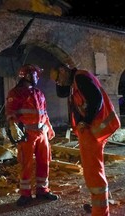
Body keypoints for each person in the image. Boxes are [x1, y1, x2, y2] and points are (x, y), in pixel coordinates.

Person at [50, 64, 121, 216]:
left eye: (59, 79)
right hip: (90, 132)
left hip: (92, 131)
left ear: (63, 70)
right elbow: (62, 94)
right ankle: (101, 206)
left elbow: (96, 99)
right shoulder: (75, 80)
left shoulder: (80, 78)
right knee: (95, 170)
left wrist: (86, 121)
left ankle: (100, 211)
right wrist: (60, 81)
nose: (60, 83)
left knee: (93, 173)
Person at [5, 64, 59, 206]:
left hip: (42, 133)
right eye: (36, 75)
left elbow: (44, 112)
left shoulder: (39, 93)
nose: (38, 78)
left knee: (44, 161)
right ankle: (26, 194)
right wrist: (13, 126)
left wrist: (49, 126)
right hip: (27, 134)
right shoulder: (15, 93)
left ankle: (43, 190)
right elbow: (10, 111)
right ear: (29, 76)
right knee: (26, 163)